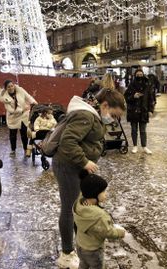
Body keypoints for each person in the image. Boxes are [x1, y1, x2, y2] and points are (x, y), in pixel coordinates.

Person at [53, 89, 126, 269]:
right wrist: (84, 161)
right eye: (115, 115)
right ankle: (67, 253)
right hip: (68, 166)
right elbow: (68, 141)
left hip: (75, 167)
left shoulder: (90, 114)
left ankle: (82, 241)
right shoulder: (86, 115)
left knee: (80, 204)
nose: (114, 120)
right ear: (105, 105)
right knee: (70, 208)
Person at [73, 171, 126, 269]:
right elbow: (108, 232)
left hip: (80, 245)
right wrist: (120, 233)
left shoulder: (79, 204)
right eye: (103, 191)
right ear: (94, 194)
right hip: (93, 250)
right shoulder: (99, 216)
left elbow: (83, 192)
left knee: (83, 264)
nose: (106, 194)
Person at [0, 80, 37, 156]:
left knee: (24, 133)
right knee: (13, 135)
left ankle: (26, 149)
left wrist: (34, 102)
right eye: (8, 87)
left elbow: (28, 97)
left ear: (14, 85)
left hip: (23, 117)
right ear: (6, 88)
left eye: (12, 86)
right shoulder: (4, 98)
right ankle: (13, 150)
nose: (11, 88)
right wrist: (22, 110)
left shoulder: (20, 90)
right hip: (13, 117)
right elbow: (11, 110)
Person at [125, 69, 155, 154]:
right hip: (133, 110)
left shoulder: (147, 84)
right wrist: (133, 96)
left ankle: (144, 146)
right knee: (134, 130)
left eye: (141, 74)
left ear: (143, 74)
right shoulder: (131, 84)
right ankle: (135, 146)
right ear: (135, 75)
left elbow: (151, 98)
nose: (139, 76)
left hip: (143, 110)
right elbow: (126, 97)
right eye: (137, 75)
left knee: (143, 130)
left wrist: (151, 110)